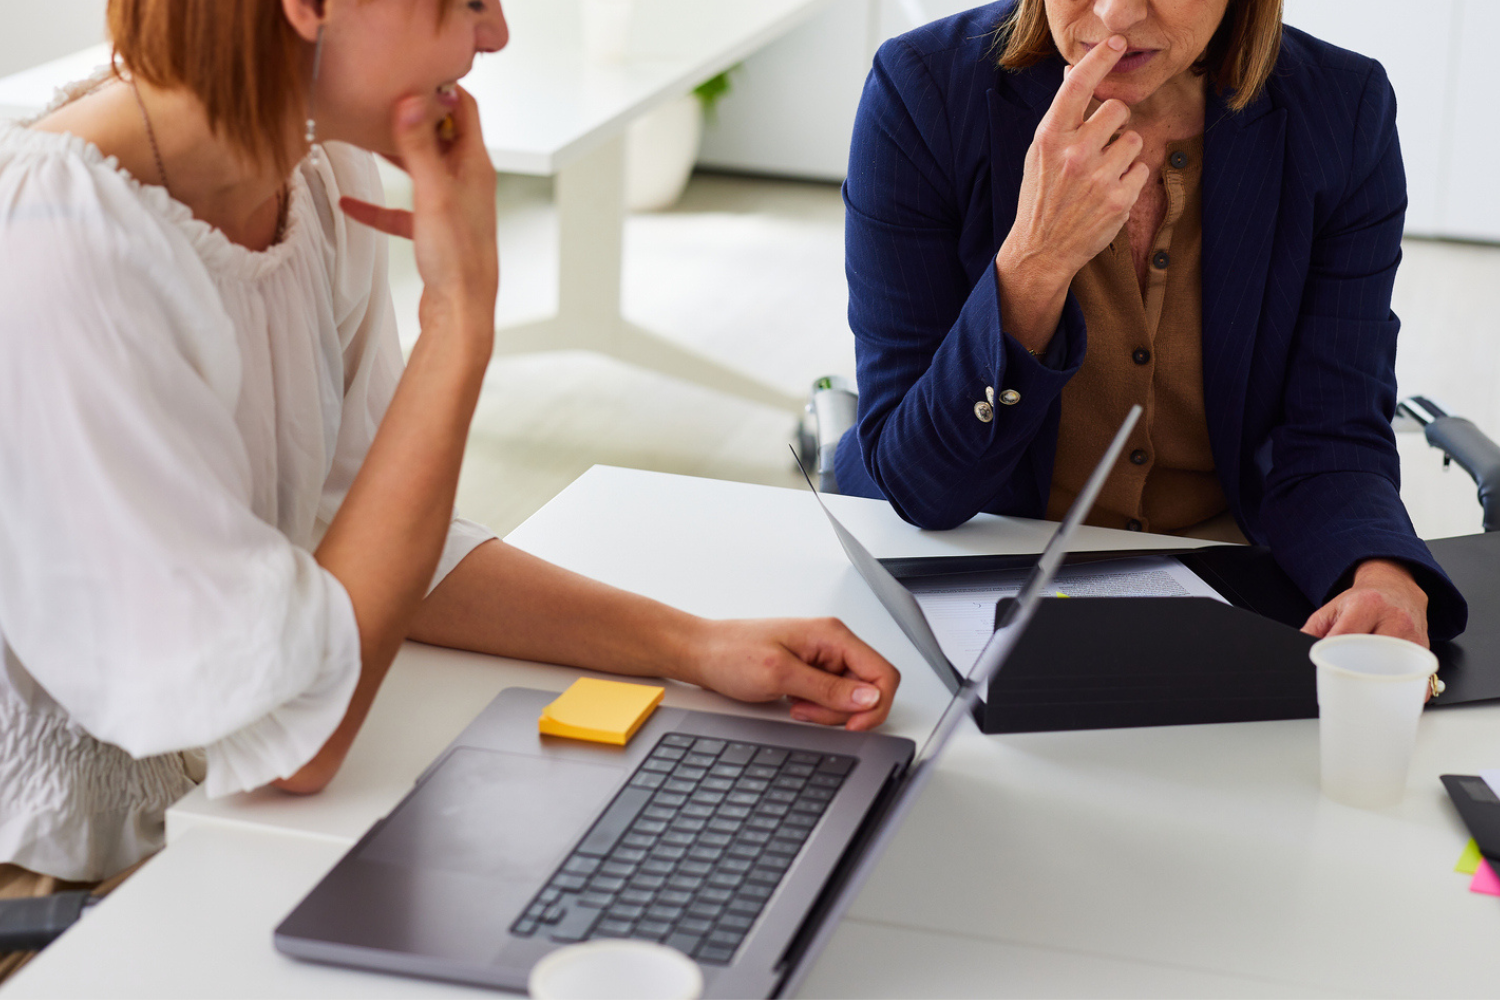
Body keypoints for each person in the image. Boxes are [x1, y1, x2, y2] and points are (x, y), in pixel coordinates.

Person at [0, 0, 902, 929]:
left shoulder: (311, 175)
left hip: (220, 818)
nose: (495, 33)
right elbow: (286, 745)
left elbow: (374, 544)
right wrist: (459, 314)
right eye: (464, 1)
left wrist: (694, 646)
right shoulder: (61, 247)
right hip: (72, 891)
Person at [832, 0, 1466, 648]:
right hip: (972, 558)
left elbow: (1333, 429)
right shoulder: (923, 92)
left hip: (1219, 572)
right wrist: (1034, 262)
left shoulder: (1341, 113)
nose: (1114, 12)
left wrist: (1378, 570)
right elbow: (917, 484)